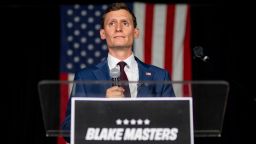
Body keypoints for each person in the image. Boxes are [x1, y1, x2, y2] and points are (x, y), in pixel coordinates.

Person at [61, 2, 175, 143]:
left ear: (136, 32)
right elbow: (68, 130)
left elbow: (174, 123)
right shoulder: (85, 77)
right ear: (103, 33)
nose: (119, 28)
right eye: (112, 24)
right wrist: (101, 107)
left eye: (125, 23)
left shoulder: (159, 77)